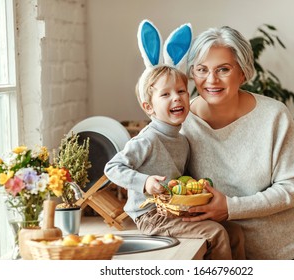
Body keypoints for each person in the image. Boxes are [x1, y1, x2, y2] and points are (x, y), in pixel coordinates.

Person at [181, 25, 294, 260]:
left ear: (243, 73)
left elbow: (292, 188)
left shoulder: (274, 115)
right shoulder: (182, 122)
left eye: (223, 69)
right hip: (242, 255)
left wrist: (230, 208)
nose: (211, 79)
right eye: (202, 70)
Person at [104, 20, 245, 260]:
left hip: (175, 210)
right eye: (165, 94)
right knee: (216, 233)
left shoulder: (182, 139)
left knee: (235, 231)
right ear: (149, 106)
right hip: (151, 216)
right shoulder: (147, 139)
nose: (177, 99)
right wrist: (145, 182)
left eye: (181, 91)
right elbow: (112, 168)